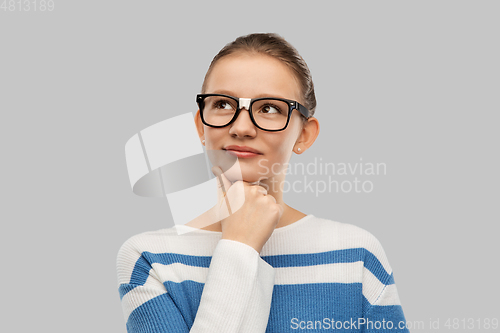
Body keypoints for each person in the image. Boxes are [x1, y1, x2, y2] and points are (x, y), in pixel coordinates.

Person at [116, 32, 409, 333]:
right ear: (200, 125)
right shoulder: (149, 260)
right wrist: (239, 247)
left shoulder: (356, 256)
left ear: (305, 135)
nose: (241, 127)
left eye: (269, 108)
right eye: (223, 105)